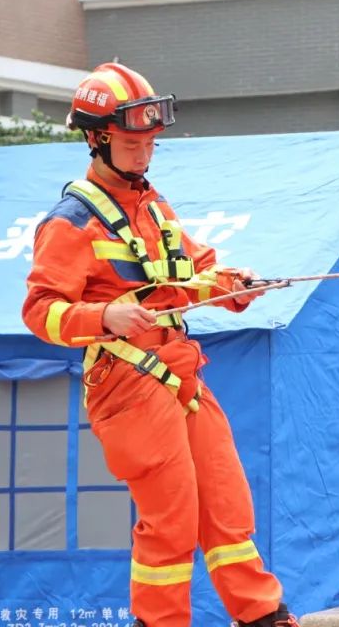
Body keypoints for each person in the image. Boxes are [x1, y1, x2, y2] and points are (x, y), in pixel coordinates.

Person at [22, 63, 298, 627]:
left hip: (181, 372)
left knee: (227, 508)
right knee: (170, 521)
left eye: (150, 142)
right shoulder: (71, 222)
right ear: (97, 138)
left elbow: (192, 271)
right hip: (126, 383)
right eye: (131, 142)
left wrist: (237, 286)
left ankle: (264, 618)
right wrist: (104, 315)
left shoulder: (152, 206)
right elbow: (39, 311)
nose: (144, 152)